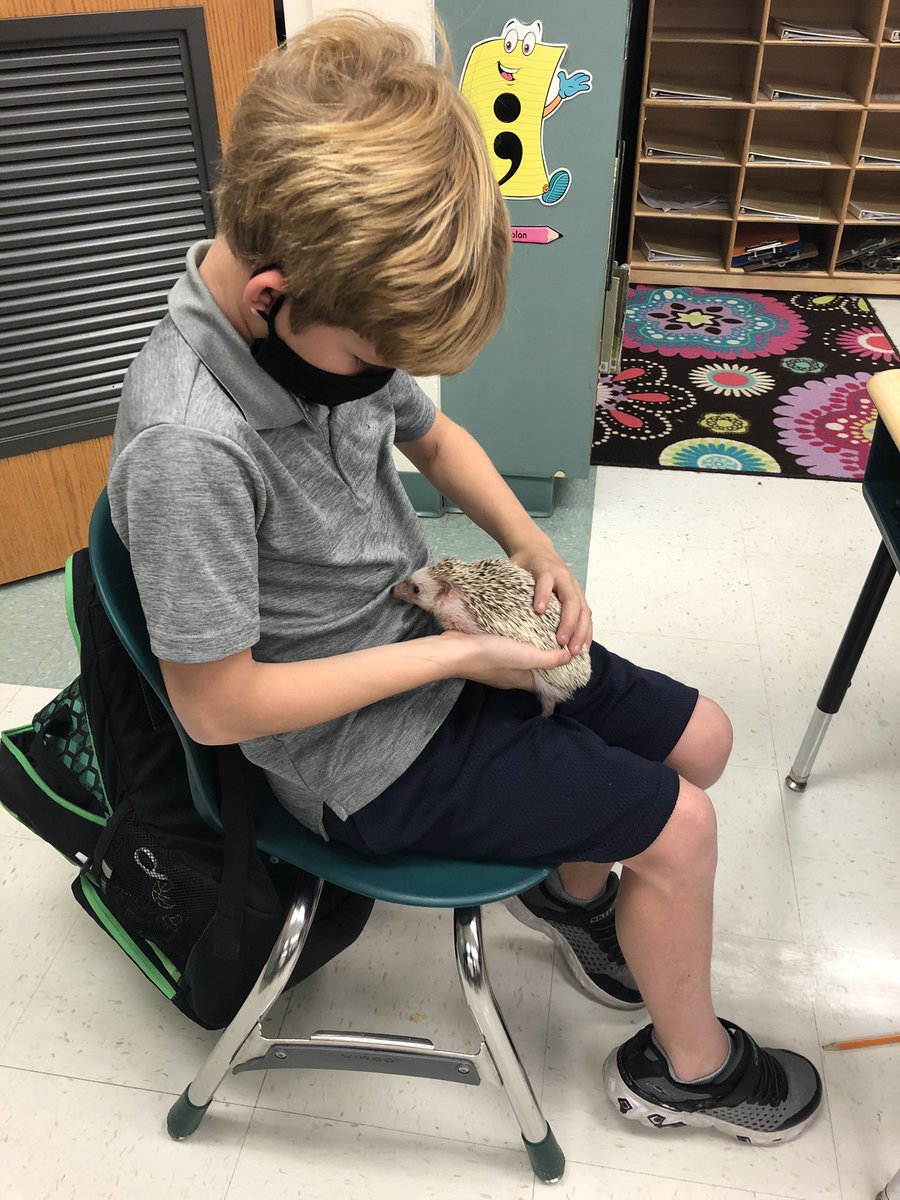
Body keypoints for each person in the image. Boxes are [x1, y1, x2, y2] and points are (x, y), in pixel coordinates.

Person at [107, 12, 822, 1145]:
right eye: (373, 359)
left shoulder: (326, 320)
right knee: (682, 829)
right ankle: (688, 1073)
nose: (385, 381)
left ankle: (571, 893)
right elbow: (214, 703)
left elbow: (434, 442)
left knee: (708, 739)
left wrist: (531, 552)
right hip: (360, 752)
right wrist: (462, 654)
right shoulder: (190, 449)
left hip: (424, 635)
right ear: (271, 299)